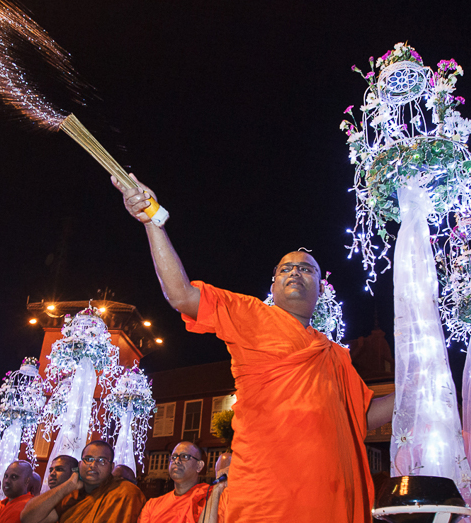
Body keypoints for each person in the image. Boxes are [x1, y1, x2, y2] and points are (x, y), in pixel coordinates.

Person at [114, 176, 395, 523]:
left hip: (332, 495)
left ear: (320, 288)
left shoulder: (334, 353)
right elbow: (181, 294)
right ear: (273, 284)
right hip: (267, 495)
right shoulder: (251, 314)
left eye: (306, 269)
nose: (295, 272)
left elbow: (360, 418)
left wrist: (417, 386)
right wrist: (152, 223)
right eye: (286, 269)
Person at [20, 440, 145, 523]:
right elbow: (28, 518)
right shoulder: (72, 494)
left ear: (111, 467)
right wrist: (68, 485)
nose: (93, 465)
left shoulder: (126, 493)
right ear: (80, 464)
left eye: (101, 461)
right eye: (88, 459)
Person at [139, 442, 209, 523]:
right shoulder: (152, 506)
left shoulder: (208, 499)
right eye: (174, 457)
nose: (176, 461)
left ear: (199, 466)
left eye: (184, 457)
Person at [199, 452, 231, 523]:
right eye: (220, 468)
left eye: (227, 467)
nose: (222, 471)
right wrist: (217, 489)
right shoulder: (207, 493)